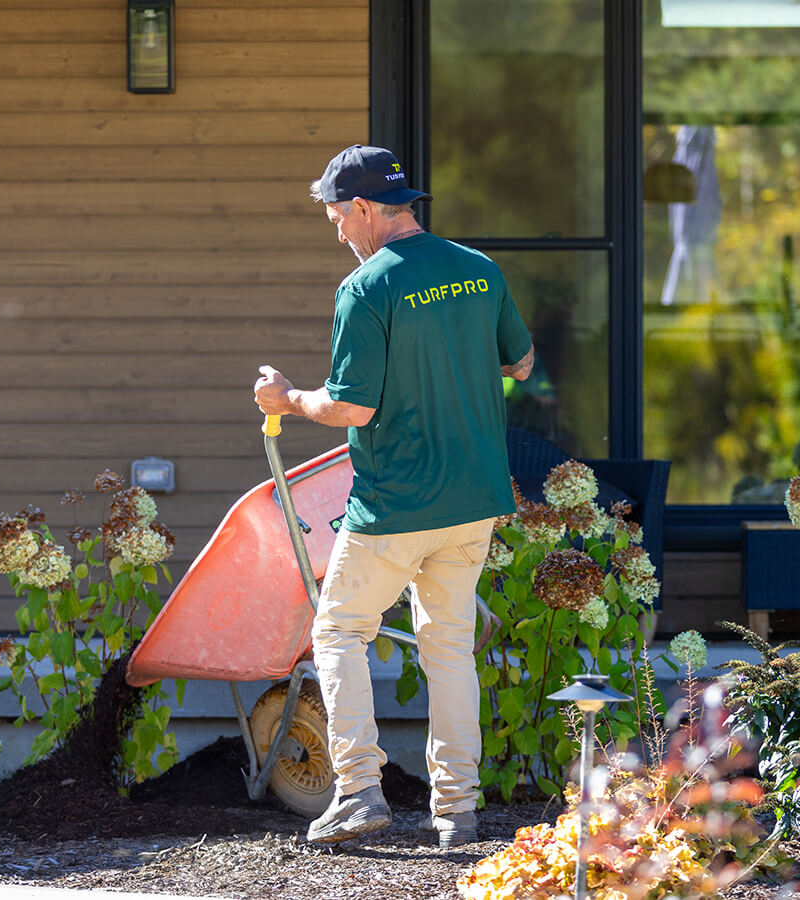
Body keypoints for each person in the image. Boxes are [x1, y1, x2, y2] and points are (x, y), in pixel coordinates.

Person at [253, 144, 534, 849]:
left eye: (336, 218)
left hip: (396, 503)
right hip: (473, 501)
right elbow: (521, 362)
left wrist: (285, 399)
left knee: (339, 631)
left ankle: (356, 791)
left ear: (364, 209)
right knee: (449, 648)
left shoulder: (367, 288)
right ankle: (458, 812)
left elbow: (350, 408)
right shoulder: (478, 270)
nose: (339, 233)